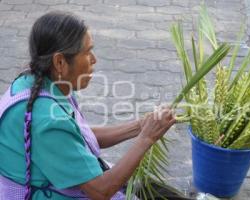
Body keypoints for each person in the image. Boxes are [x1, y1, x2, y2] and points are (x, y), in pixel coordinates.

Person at [0, 11, 188, 200]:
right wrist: (147, 137)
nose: (94, 59)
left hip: (61, 184)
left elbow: (78, 136)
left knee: (160, 192)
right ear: (60, 62)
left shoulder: (43, 81)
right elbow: (100, 191)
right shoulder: (48, 121)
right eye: (87, 52)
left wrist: (139, 126)